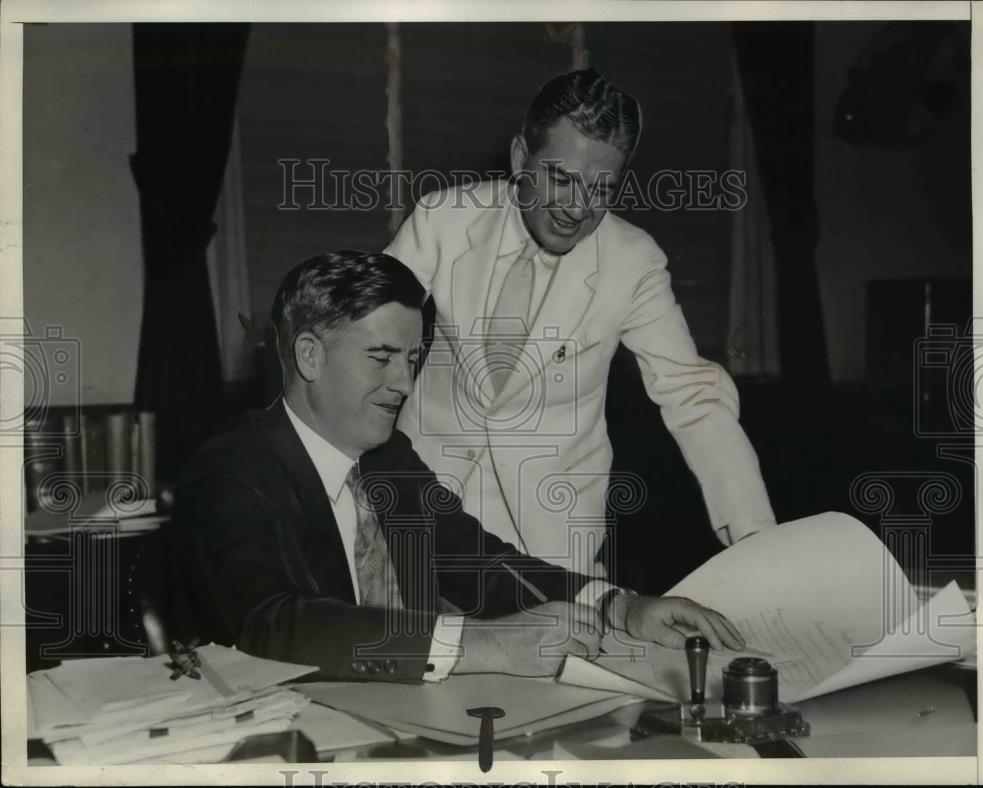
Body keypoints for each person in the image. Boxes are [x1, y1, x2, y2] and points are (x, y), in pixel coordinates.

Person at [166, 251, 746, 683]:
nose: (404, 384)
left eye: (414, 360)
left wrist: (621, 606)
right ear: (310, 355)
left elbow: (480, 561)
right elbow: (274, 626)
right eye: (382, 358)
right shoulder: (229, 471)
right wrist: (482, 646)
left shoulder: (390, 460)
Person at [385, 67, 776, 576]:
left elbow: (694, 397)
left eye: (601, 188)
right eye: (562, 178)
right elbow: (363, 338)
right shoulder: (443, 219)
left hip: (551, 547)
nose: (578, 208)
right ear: (520, 157)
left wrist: (757, 540)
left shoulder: (634, 261)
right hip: (422, 525)